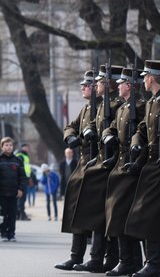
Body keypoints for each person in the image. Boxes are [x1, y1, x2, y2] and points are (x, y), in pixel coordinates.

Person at [72, 65, 124, 273]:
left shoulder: (117, 104)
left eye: (100, 82)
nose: (96, 85)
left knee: (109, 214)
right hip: (98, 162)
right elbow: (88, 125)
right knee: (98, 212)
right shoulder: (99, 106)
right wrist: (86, 131)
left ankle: (111, 258)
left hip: (111, 163)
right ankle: (97, 258)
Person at [101, 67, 146, 276]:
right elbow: (111, 126)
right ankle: (126, 260)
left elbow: (144, 133)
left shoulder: (140, 106)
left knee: (127, 214)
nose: (117, 86)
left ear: (129, 86)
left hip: (133, 165)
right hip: (120, 164)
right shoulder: (121, 108)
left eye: (121, 84)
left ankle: (132, 260)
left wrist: (137, 159)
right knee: (117, 213)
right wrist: (108, 135)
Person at [55, 70, 98, 271]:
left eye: (87, 85)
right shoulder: (87, 108)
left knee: (96, 215)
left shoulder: (104, 107)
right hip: (83, 164)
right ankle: (76, 256)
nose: (83, 88)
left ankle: (97, 257)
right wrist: (72, 136)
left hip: (97, 164)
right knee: (77, 211)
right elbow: (70, 126)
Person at [123, 60, 160, 276]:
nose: (143, 80)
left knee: (149, 215)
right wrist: (137, 142)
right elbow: (142, 130)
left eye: (145, 76)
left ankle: (153, 264)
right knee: (147, 215)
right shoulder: (150, 103)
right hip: (151, 165)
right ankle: (152, 263)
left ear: (152, 78)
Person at [0, 137, 27, 242]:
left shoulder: (18, 160)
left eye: (10, 145)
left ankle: (11, 233)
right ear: (2, 147)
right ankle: (4, 233)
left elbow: (22, 177)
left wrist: (21, 189)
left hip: (14, 192)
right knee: (2, 214)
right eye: (6, 145)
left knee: (13, 214)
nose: (9, 147)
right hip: (0, 192)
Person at [15, 143, 31, 221]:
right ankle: (21, 214)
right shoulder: (20, 155)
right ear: (23, 148)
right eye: (26, 147)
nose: (28, 149)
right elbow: (20, 168)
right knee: (21, 198)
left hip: (25, 179)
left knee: (22, 198)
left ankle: (19, 214)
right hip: (21, 179)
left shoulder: (25, 156)